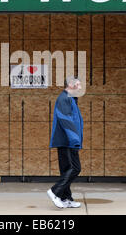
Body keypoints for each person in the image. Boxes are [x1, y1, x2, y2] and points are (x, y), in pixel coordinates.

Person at [47, 76, 84, 209]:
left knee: (67, 170)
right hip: (67, 141)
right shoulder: (64, 99)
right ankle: (55, 191)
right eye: (78, 85)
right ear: (70, 84)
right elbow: (65, 120)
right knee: (75, 168)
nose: (80, 88)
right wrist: (75, 140)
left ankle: (66, 198)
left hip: (68, 140)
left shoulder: (71, 99)